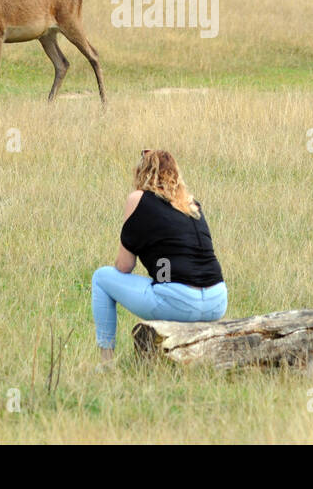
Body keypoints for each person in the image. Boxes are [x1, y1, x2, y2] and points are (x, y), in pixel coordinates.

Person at [91, 150, 227, 364]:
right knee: (163, 286)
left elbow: (124, 265)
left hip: (180, 302)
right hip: (216, 301)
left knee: (101, 277)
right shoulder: (192, 203)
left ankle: (106, 363)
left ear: (142, 173)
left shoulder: (138, 198)